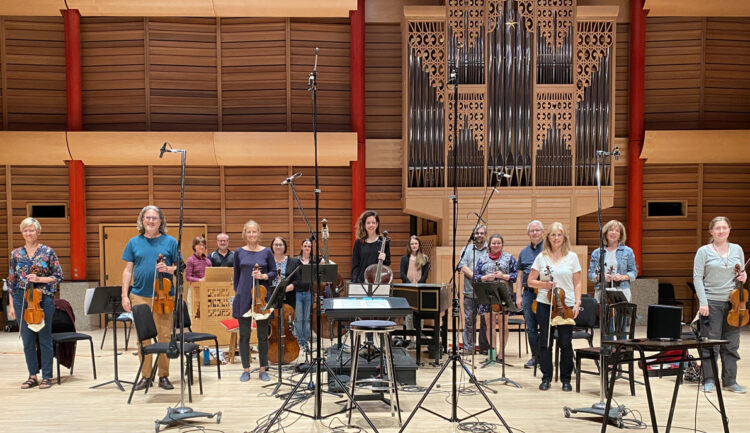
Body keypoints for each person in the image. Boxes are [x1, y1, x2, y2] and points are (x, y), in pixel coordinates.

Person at [121, 205, 180, 391]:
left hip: (164, 296)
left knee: (164, 336)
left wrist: (169, 269)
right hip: (139, 295)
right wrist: (124, 295)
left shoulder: (170, 242)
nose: (151, 221)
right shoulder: (133, 242)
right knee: (142, 339)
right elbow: (128, 270)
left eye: (155, 218)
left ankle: (163, 376)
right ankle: (146, 376)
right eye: (148, 218)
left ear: (160, 221)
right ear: (142, 220)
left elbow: (179, 267)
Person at [6, 217, 63, 390]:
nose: (28, 233)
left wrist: (39, 278)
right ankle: (32, 375)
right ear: (22, 233)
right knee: (27, 339)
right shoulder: (16, 254)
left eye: (31, 230)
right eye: (25, 230)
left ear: (38, 232)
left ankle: (46, 376)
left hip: (42, 297)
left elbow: (58, 276)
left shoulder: (47, 252)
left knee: (44, 338)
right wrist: (11, 305)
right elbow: (11, 280)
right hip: (20, 298)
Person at [693, 216, 747, 394]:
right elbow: (697, 278)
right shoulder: (704, 252)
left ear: (729, 230)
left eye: (724, 228)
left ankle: (730, 380)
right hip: (711, 303)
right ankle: (709, 379)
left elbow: (741, 274)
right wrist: (703, 302)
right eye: (717, 228)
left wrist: (744, 277)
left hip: (734, 304)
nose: (721, 231)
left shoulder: (737, 249)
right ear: (711, 231)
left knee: (732, 344)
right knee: (711, 343)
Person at [528, 222, 582, 392]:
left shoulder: (572, 257)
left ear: (564, 237)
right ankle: (546, 377)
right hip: (546, 303)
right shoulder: (541, 257)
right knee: (545, 342)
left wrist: (578, 303)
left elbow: (578, 282)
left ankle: (566, 378)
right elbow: (530, 281)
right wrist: (545, 286)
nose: (556, 238)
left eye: (559, 235)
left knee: (566, 343)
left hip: (566, 304)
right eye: (553, 235)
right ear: (548, 238)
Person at [233, 220, 276, 382]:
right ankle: (246, 369)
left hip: (261, 297)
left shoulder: (266, 252)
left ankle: (263, 368)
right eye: (248, 232)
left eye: (254, 232)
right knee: (244, 335)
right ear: (245, 234)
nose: (251, 235)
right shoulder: (238, 252)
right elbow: (236, 276)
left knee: (262, 335)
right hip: (243, 297)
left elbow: (274, 272)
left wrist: (264, 276)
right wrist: (238, 293)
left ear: (259, 234)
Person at [475, 234, 518, 360]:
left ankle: (501, 353)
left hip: (504, 295)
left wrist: (503, 276)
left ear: (502, 244)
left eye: (498, 243)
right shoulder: (482, 259)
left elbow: (516, 276)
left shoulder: (509, 258)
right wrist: (485, 278)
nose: (496, 245)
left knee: (503, 324)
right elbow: (476, 276)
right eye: (493, 243)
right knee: (490, 325)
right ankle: (492, 352)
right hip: (487, 295)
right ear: (489, 245)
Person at [515, 220, 544, 368]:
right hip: (528, 294)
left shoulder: (549, 250)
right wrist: (518, 295)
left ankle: (545, 355)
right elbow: (519, 276)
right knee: (531, 327)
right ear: (528, 234)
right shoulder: (524, 252)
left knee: (545, 326)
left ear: (542, 232)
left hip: (545, 293)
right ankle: (535, 356)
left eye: (538, 230)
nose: (535, 233)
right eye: (532, 231)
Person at [587, 219, 637, 303]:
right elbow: (590, 275)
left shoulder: (627, 251)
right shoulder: (597, 252)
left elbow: (633, 273)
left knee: (622, 315)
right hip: (601, 291)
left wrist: (622, 277)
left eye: (617, 231)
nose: (613, 232)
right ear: (606, 233)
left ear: (620, 235)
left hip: (622, 290)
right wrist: (601, 277)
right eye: (611, 230)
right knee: (601, 315)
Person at [459, 225, 490, 354]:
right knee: (469, 321)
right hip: (469, 291)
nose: (479, 235)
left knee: (485, 322)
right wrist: (477, 277)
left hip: (485, 292)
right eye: (477, 233)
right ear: (473, 235)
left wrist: (483, 279)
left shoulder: (490, 249)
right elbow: (462, 266)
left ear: (485, 235)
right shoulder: (467, 249)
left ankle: (484, 347)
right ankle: (468, 348)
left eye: (482, 233)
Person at [399, 235, 430, 347]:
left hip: (420, 289)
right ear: (409, 245)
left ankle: (419, 337)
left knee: (419, 314)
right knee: (409, 315)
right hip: (408, 289)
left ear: (419, 245)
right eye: (412, 244)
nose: (414, 245)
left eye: (416, 243)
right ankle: (411, 339)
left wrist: (419, 284)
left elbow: (425, 274)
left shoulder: (425, 258)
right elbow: (402, 274)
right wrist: (410, 284)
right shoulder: (404, 258)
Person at [351, 210, 391, 284]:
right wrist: (354, 283)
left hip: (378, 281)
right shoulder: (358, 243)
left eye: (373, 222)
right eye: (368, 223)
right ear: (364, 225)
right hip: (361, 281)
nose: (371, 225)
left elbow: (387, 263)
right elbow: (355, 266)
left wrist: (384, 258)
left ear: (377, 224)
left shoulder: (384, 241)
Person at [294, 238, 314, 352]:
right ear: (301, 247)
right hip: (297, 293)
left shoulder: (313, 261)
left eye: (309, 246)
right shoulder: (296, 261)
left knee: (306, 319)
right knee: (298, 319)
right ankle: (299, 342)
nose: (307, 248)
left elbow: (328, 262)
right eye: (305, 246)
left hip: (309, 292)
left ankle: (305, 342)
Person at [271, 236, 297, 308]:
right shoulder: (267, 262)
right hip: (271, 298)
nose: (278, 247)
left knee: (288, 318)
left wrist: (291, 286)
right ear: (272, 247)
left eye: (280, 245)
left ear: (285, 247)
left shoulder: (293, 262)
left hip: (289, 297)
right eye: (276, 245)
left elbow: (298, 279)